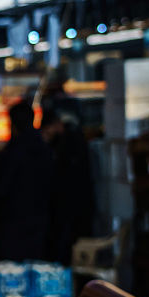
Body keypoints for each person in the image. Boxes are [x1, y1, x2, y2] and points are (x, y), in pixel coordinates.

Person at [0, 102, 54, 262]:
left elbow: (1, 186)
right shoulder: (45, 149)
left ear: (13, 124)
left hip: (13, 221)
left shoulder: (14, 151)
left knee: (11, 270)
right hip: (39, 219)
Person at [41, 110, 95, 265]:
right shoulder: (72, 139)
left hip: (70, 204)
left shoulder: (69, 141)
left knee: (65, 245)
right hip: (74, 203)